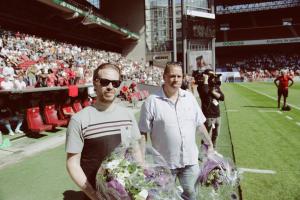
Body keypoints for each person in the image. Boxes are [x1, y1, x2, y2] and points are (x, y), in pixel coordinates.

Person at [65, 63, 142, 200]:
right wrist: (94, 195)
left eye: (115, 83)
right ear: (95, 83)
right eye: (105, 82)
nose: (110, 87)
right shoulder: (79, 120)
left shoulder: (128, 115)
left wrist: (140, 181)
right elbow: (72, 163)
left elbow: (135, 150)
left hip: (127, 193)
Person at [139, 62, 214, 200]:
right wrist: (142, 159)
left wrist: (209, 144)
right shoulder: (151, 101)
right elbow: (143, 132)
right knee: (162, 197)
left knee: (192, 195)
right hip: (164, 164)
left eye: (179, 76)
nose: (176, 79)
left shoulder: (189, 98)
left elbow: (199, 124)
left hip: (190, 162)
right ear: (164, 77)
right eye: (172, 76)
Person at [198, 70, 224, 148]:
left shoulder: (215, 86)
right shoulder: (201, 86)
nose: (213, 77)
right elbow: (205, 93)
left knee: (216, 135)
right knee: (206, 136)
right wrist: (205, 80)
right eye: (211, 75)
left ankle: (213, 150)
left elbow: (222, 97)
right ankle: (203, 152)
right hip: (208, 116)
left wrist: (213, 92)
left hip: (217, 115)